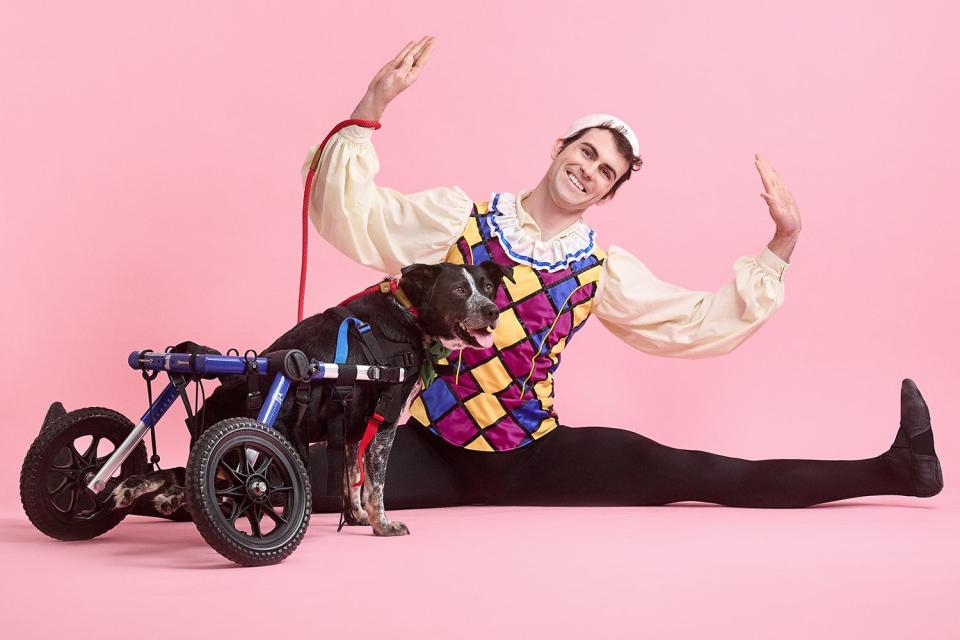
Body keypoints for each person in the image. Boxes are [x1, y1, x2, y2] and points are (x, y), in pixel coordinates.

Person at [304, 36, 942, 513]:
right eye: (586, 152)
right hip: (427, 450)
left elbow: (693, 323)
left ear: (607, 193)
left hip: (534, 458)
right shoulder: (460, 223)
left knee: (700, 473)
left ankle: (896, 469)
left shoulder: (598, 272)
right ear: (560, 148)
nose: (589, 170)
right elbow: (355, 215)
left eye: (606, 171)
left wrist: (784, 240)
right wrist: (373, 103)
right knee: (285, 478)